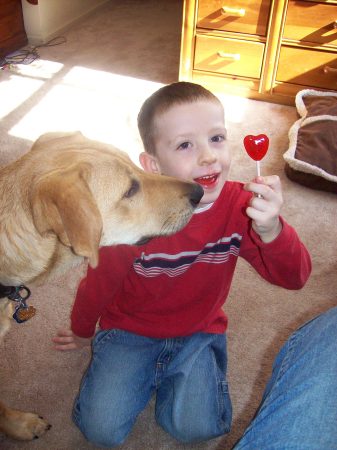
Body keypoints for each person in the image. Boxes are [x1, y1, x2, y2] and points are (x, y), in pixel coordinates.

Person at [52, 82, 312, 447]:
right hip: (130, 332)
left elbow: (296, 278)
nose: (208, 156)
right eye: (186, 145)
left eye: (217, 138)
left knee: (198, 428)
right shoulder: (134, 218)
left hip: (198, 331)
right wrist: (82, 331)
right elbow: (99, 283)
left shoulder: (242, 207)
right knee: (101, 432)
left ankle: (172, 378)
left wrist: (271, 230)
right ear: (153, 165)